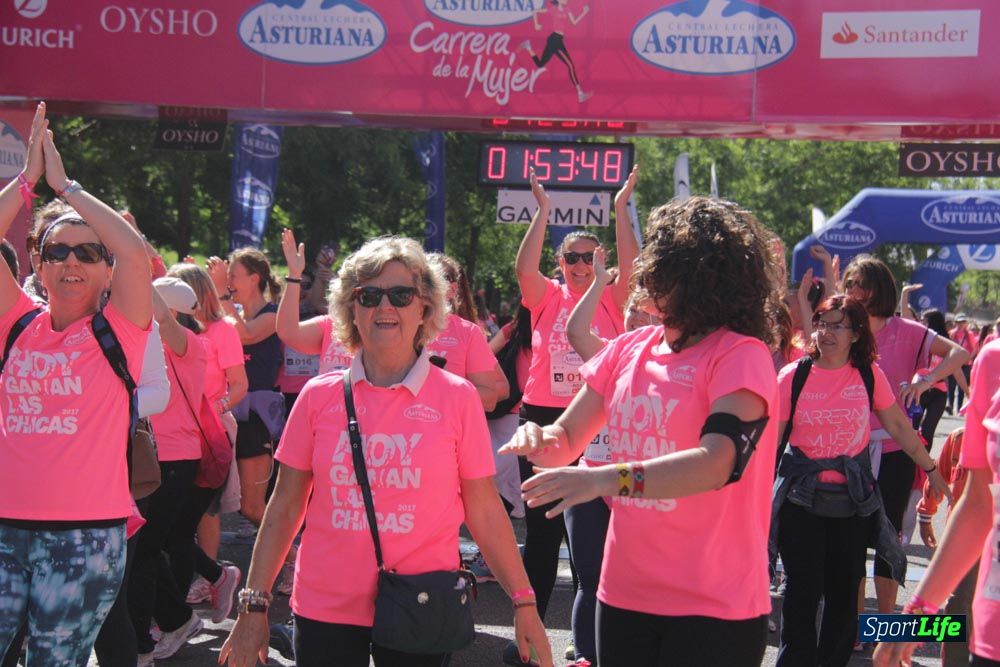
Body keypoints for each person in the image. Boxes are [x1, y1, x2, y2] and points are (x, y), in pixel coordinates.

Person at [219, 236, 552, 667]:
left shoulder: (458, 397)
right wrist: (253, 607)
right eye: (369, 295)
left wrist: (524, 603)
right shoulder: (318, 397)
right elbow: (284, 508)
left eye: (401, 294)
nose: (385, 307)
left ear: (425, 308)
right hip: (326, 605)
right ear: (351, 309)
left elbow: (485, 509)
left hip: (423, 600)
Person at [502, 195, 783, 666]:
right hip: (624, 595)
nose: (644, 269)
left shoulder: (740, 355)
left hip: (715, 604)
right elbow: (564, 442)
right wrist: (537, 439)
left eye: (659, 257)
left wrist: (603, 479)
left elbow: (718, 462)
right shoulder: (629, 348)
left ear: (695, 275)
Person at [0, 102, 152, 665]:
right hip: (3, 532)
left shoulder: (119, 332)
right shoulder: (15, 322)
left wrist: (67, 187)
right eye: (57, 252)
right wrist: (26, 182)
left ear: (106, 269)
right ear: (36, 264)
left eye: (88, 253)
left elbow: (136, 252)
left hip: (84, 541)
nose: (71, 263)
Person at [771, 296, 949, 667]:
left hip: (851, 504)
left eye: (838, 325)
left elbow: (898, 425)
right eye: (822, 322)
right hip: (801, 502)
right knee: (801, 595)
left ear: (856, 334)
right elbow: (772, 440)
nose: (827, 332)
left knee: (843, 595)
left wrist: (932, 469)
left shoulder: (868, 374)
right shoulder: (793, 376)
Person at [508, 166, 637, 665]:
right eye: (572, 258)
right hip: (542, 416)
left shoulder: (612, 296)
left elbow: (631, 265)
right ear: (560, 263)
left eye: (589, 257)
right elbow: (523, 268)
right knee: (541, 535)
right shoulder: (547, 297)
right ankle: (532, 637)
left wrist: (621, 208)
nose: (580, 265)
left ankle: (589, 641)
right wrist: (542, 211)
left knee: (591, 539)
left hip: (595, 418)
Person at [840, 255, 970, 615]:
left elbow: (960, 353)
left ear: (878, 289)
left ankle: (884, 625)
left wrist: (927, 377)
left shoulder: (908, 331)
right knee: (849, 539)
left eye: (860, 284)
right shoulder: (843, 327)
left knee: (888, 538)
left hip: (896, 449)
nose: (853, 291)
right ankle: (851, 630)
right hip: (846, 450)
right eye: (848, 284)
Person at [874, 337, 1000, 667]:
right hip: (993, 629)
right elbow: (977, 505)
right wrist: (915, 618)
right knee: (958, 617)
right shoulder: (992, 359)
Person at [560, 246, 656, 666]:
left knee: (635, 583)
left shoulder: (673, 365)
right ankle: (585, 656)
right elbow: (575, 332)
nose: (637, 318)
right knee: (590, 577)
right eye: (633, 310)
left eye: (648, 313)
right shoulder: (612, 353)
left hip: (637, 484)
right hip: (589, 481)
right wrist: (599, 282)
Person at [208, 249, 283, 530]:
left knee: (252, 507)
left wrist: (221, 293)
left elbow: (246, 334)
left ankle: (295, 561)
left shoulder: (273, 314)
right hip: (230, 413)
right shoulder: (231, 314)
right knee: (238, 506)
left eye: (232, 277)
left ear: (254, 279)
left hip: (256, 418)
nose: (228, 283)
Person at [916, 427, 977, 667]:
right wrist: (926, 514)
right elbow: (938, 476)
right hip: (964, 541)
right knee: (959, 604)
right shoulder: (960, 437)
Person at [424, 252, 505, 411]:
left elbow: (490, 399)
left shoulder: (468, 331)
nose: (427, 287)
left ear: (453, 289)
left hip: (452, 427)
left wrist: (444, 388)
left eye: (436, 279)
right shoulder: (399, 325)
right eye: (423, 278)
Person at [520, 0, 592, 102]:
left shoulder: (567, 10)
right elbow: (535, 11)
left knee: (540, 64)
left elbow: (574, 22)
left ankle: (528, 47)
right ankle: (580, 94)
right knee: (571, 66)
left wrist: (584, 13)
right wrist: (536, 24)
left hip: (557, 40)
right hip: (555, 40)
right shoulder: (552, 10)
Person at [947, 313, 976, 413]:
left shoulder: (970, 335)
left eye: (963, 322)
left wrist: (968, 358)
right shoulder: (951, 333)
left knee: (961, 387)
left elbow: (974, 348)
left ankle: (959, 408)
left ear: (966, 323)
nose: (960, 324)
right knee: (951, 386)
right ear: (955, 323)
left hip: (965, 364)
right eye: (958, 322)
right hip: (953, 362)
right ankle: (950, 406)